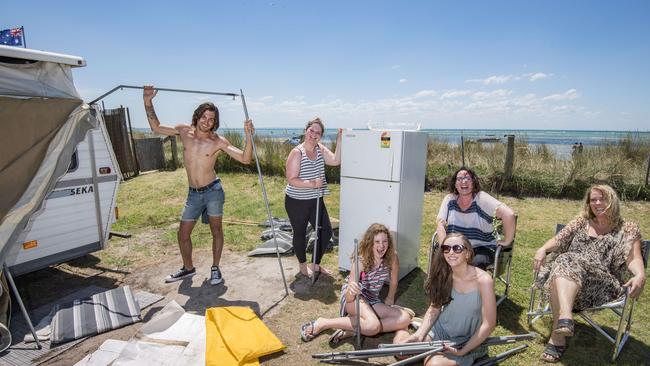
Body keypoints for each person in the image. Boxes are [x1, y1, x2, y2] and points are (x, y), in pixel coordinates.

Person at [143, 85, 254, 285]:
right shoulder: (184, 131)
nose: (207, 121)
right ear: (197, 116)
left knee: (216, 231)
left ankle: (215, 269)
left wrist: (248, 136)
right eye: (204, 117)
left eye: (211, 119)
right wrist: (148, 101)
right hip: (193, 194)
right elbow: (156, 127)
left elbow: (245, 159)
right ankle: (188, 268)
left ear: (215, 122)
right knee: (183, 233)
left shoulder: (218, 141)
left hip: (213, 191)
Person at [532, 184, 645, 363]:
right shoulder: (580, 222)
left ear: (612, 201)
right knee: (562, 266)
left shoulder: (628, 228)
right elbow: (558, 240)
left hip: (601, 285)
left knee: (564, 261)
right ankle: (563, 323)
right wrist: (542, 249)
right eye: (593, 200)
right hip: (567, 282)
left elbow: (634, 258)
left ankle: (560, 328)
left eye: (602, 199)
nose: (597, 203)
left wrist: (640, 274)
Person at [393, 233, 497, 366]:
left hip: (467, 340)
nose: (451, 252)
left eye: (457, 248)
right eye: (446, 249)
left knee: (433, 364)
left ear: (468, 253)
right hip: (441, 330)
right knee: (401, 352)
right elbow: (435, 307)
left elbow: (489, 324)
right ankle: (402, 330)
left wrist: (462, 351)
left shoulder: (484, 280)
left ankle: (433, 352)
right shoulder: (444, 274)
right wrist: (419, 335)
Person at [299, 223, 412, 344]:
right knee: (373, 326)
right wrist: (352, 291)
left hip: (372, 299)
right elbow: (349, 298)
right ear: (370, 243)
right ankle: (324, 323)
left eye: (384, 241)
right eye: (377, 242)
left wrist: (390, 298)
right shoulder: (361, 260)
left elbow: (394, 281)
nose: (381, 246)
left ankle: (355, 329)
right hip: (355, 298)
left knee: (405, 319)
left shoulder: (392, 256)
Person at [285, 117, 342, 278]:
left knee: (326, 232)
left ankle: (315, 264)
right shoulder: (297, 152)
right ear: (306, 131)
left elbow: (336, 160)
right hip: (296, 201)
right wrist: (312, 184)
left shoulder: (320, 149)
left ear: (321, 136)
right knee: (300, 233)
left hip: (316, 199)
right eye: (312, 130)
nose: (314, 134)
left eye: (318, 132)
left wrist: (340, 139)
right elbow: (291, 179)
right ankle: (303, 266)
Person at [436, 167, 516, 270]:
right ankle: (445, 285)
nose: (463, 181)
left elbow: (509, 215)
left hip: (480, 248)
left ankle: (465, 285)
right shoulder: (449, 199)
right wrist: (445, 248)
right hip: (455, 247)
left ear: (474, 183)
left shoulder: (482, 199)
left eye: (468, 178)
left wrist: (507, 241)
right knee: (441, 263)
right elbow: (440, 225)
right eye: (459, 179)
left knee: (471, 267)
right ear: (455, 184)